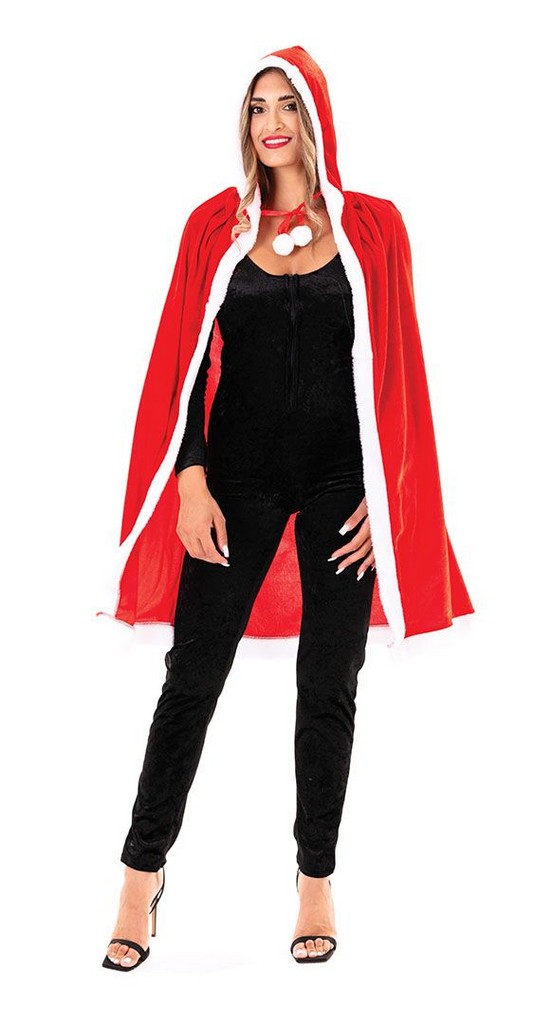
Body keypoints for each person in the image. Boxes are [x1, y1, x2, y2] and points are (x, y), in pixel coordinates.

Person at [100, 45, 474, 971]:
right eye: (257, 105)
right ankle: (139, 878)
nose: (270, 121)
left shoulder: (373, 227)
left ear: (315, 117)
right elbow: (184, 364)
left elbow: (399, 373)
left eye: (287, 104)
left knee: (329, 681)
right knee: (192, 679)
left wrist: (386, 497)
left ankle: (315, 879)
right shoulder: (213, 227)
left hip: (342, 483)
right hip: (235, 479)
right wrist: (190, 478)